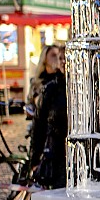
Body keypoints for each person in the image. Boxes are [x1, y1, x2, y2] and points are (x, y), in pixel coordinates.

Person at [28, 45, 67, 189]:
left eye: (66, 58)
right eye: (61, 58)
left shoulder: (87, 89)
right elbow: (38, 125)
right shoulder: (51, 88)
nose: (63, 62)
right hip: (55, 157)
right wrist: (34, 160)